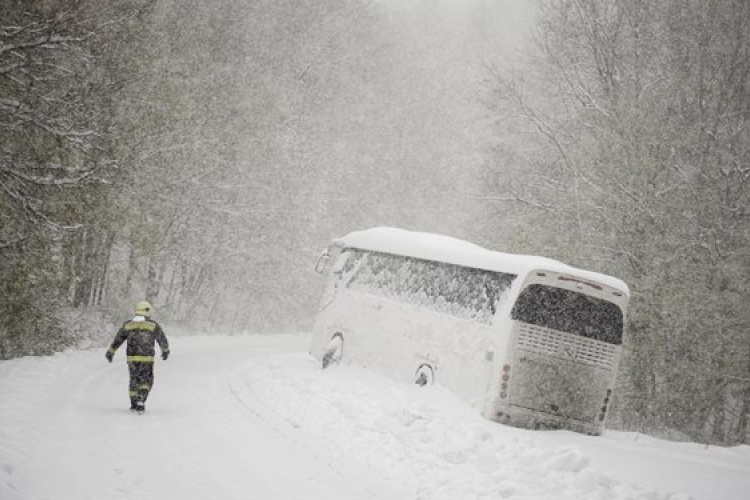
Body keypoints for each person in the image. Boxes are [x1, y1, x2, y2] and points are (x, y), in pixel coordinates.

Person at [106, 300, 170, 414]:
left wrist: (111, 351)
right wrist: (165, 350)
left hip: (132, 358)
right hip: (147, 359)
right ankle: (141, 399)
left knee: (134, 380)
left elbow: (118, 339)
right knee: (146, 380)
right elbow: (162, 338)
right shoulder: (153, 325)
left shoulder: (128, 325)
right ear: (148, 312)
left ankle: (133, 404)